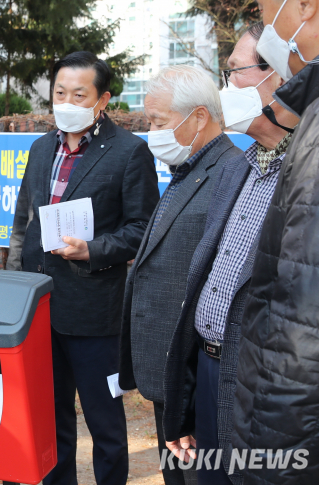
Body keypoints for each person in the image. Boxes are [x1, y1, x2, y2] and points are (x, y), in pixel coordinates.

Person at [7, 51, 159, 485]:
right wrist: (18, 285)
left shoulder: (130, 153)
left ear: (102, 99)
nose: (66, 101)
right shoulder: (40, 148)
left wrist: (92, 249)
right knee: (51, 416)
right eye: (59, 92)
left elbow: (143, 228)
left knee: (104, 421)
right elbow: (24, 221)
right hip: (38, 307)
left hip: (95, 313)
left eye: (79, 94)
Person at [161, 22, 299, 485]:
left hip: (266, 389)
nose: (226, 87)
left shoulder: (306, 173)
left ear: (277, 75)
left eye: (234, 72)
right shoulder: (235, 168)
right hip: (208, 368)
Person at [118, 64, 241, 485]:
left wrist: (186, 393)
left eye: (158, 122)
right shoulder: (189, 167)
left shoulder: (230, 173)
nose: (151, 132)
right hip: (170, 372)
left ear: (199, 117)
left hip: (192, 374)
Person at [232, 0, 319, 482]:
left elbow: (302, 324)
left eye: (269, 11)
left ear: (303, 7)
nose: (269, 27)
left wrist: (267, 467)